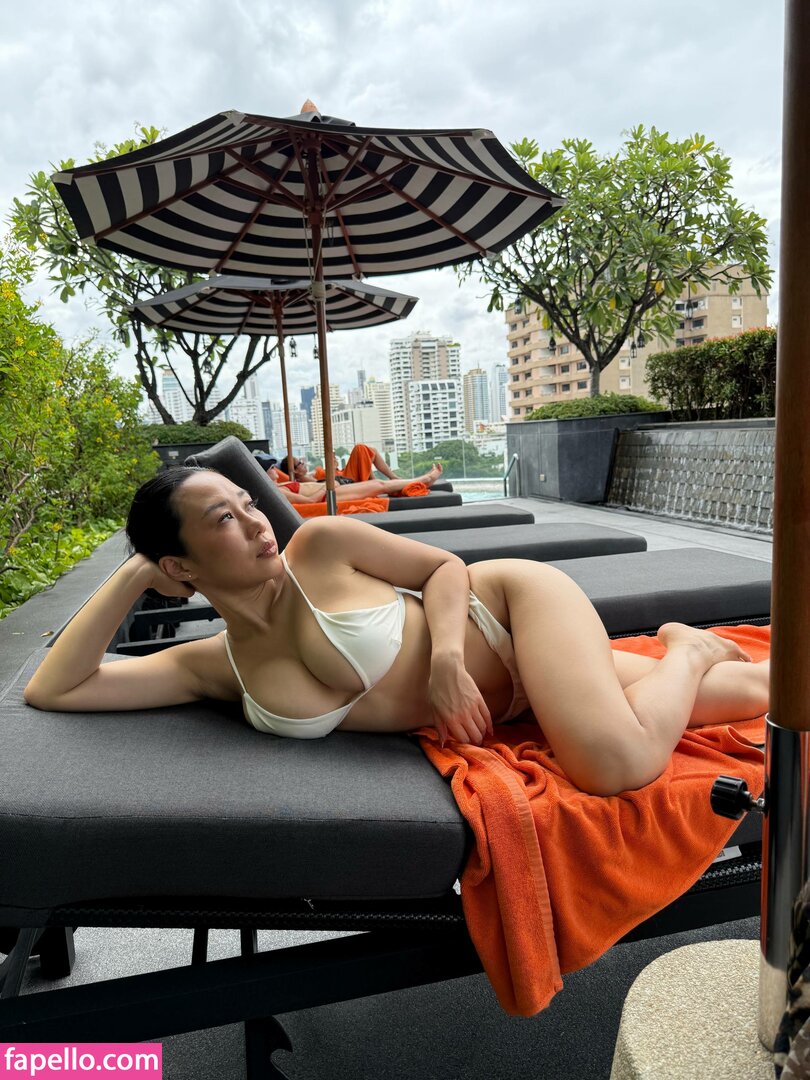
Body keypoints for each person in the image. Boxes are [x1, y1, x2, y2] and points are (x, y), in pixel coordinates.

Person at [23, 468, 769, 797]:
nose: (256, 522)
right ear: (179, 565)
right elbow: (56, 688)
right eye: (225, 518)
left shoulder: (318, 548)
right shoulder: (214, 664)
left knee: (614, 765)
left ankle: (687, 647)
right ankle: (690, 653)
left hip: (507, 614)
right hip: (517, 703)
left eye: (249, 503)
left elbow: (445, 567)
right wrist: (134, 572)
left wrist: (446, 662)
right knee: (750, 695)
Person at [271, 463, 444, 505]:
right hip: (328, 495)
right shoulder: (277, 491)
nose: (274, 470)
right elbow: (309, 502)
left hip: (332, 490)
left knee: (378, 484)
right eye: (271, 468)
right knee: (378, 485)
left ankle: (422, 479)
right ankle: (424, 480)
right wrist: (327, 486)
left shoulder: (279, 486)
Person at [280, 444, 400, 485]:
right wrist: (331, 467)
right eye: (300, 463)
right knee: (360, 449)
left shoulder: (307, 476)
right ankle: (387, 479)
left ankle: (386, 479)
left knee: (369, 451)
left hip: (343, 475)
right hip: (346, 481)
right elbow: (325, 485)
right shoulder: (304, 481)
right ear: (295, 470)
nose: (303, 463)